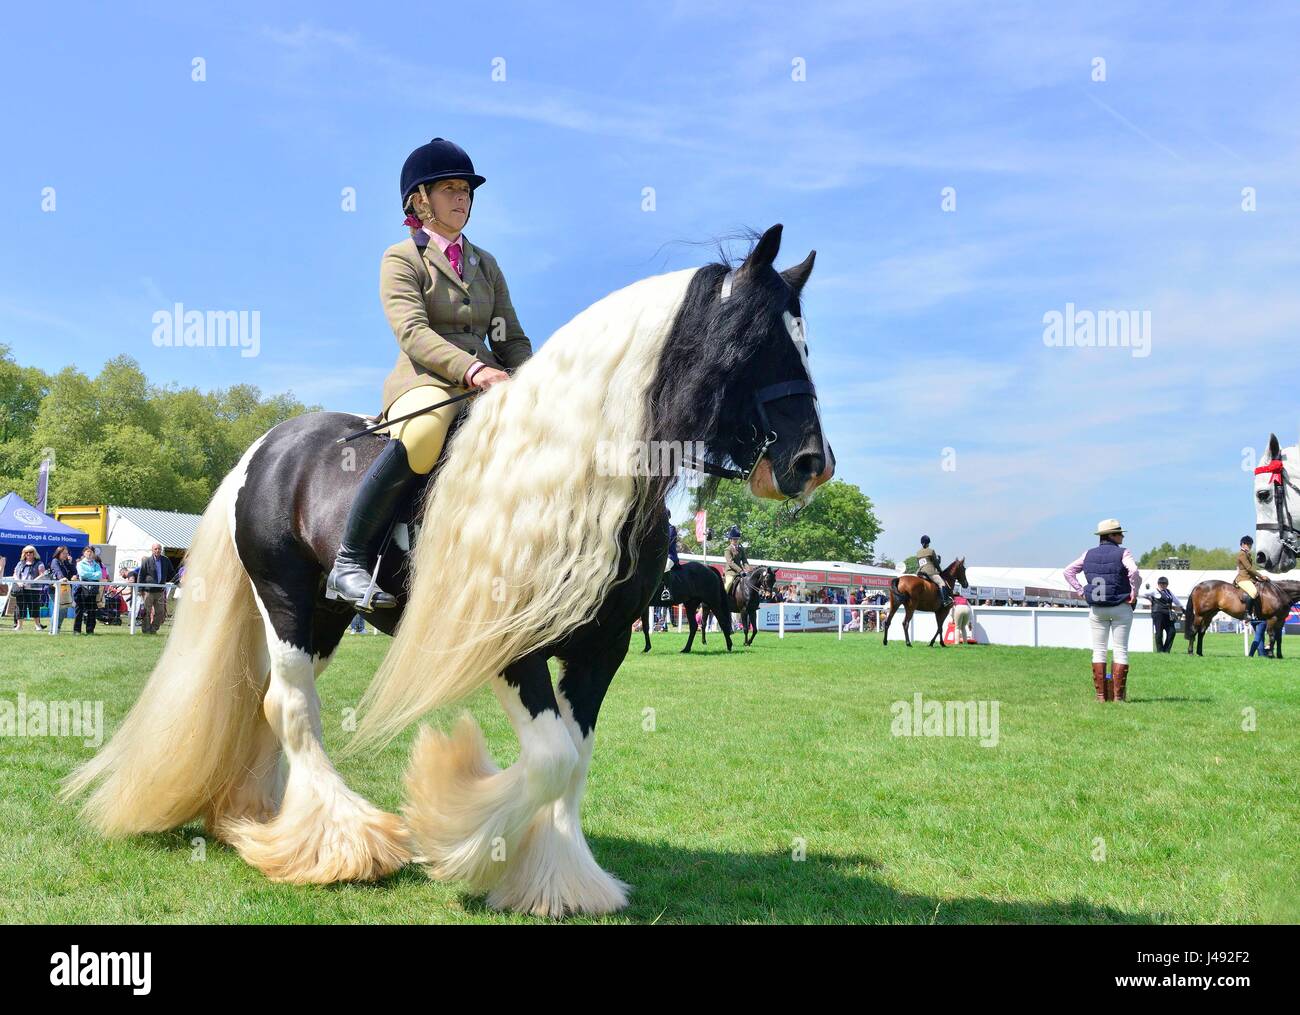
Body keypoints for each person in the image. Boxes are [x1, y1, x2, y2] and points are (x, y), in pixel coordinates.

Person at [326, 138, 532, 610]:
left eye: (467, 190)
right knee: (423, 434)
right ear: (420, 200)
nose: (463, 198)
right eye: (451, 189)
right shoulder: (401, 258)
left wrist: (537, 381)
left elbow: (511, 338)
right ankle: (349, 562)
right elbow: (412, 331)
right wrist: (474, 369)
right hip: (424, 383)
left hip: (487, 385)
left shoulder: (487, 263)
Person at [1063, 518, 1141, 703]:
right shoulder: (1124, 553)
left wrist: (1081, 591)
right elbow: (1135, 572)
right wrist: (1134, 593)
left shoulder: (1087, 554)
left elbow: (1068, 571)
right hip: (1121, 606)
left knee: (1098, 650)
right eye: (1119, 533)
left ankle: (1100, 696)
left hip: (1097, 608)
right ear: (1111, 536)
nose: (1122, 536)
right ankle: (1117, 697)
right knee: (1120, 650)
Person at [136, 542, 176, 634]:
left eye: (159, 549)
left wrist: (178, 581)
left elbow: (171, 572)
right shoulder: (147, 561)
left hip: (160, 591)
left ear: (161, 550)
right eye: (155, 549)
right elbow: (141, 575)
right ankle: (146, 630)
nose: (157, 550)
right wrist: (140, 589)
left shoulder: (166, 560)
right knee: (146, 611)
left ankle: (153, 629)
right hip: (148, 591)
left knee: (161, 612)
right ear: (152, 550)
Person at [1141, 577, 1183, 653]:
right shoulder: (1154, 591)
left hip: (1167, 613)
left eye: (1165, 584)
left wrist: (1182, 607)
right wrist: (1150, 599)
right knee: (1159, 632)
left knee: (1172, 631)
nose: (1163, 585)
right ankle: (1160, 651)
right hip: (1158, 613)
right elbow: (1142, 594)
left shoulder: (1169, 592)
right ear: (1158, 584)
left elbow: (1176, 600)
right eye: (1161, 584)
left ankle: (1166, 650)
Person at [9, 545, 46, 631]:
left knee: (34, 607)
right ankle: (19, 626)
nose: (28, 554)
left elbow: (42, 575)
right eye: (26, 552)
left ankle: (37, 626)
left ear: (34, 553)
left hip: (34, 589)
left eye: (30, 552)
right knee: (20, 607)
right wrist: (19, 582)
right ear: (24, 554)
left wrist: (31, 582)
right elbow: (15, 574)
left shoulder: (39, 563)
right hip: (21, 588)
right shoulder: (20, 563)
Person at [1234, 535, 1268, 622]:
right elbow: (1249, 568)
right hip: (1243, 579)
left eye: (1250, 545)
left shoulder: (1247, 554)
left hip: (1249, 578)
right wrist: (1261, 576)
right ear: (1243, 544)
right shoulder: (1242, 554)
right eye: (1248, 544)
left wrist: (1259, 578)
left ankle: (1257, 613)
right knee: (1253, 592)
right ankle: (1247, 614)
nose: (1250, 546)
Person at [915, 535, 952, 608]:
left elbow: (920, 563)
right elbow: (935, 563)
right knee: (941, 583)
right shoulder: (931, 551)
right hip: (929, 572)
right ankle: (945, 601)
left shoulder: (918, 552)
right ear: (928, 543)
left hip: (920, 572)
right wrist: (940, 570)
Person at [74, 545, 104, 635]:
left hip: (93, 589)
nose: (89, 553)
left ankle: (90, 630)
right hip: (82, 589)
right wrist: (93, 575)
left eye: (91, 551)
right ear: (84, 553)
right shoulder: (80, 564)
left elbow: (99, 575)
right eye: (87, 551)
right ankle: (77, 630)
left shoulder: (97, 564)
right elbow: (82, 574)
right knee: (79, 610)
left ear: (94, 553)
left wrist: (90, 575)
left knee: (92, 610)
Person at [47, 546, 77, 632]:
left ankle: (58, 628)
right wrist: (62, 578)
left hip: (65, 590)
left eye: (67, 553)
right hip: (54, 590)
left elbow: (74, 573)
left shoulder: (66, 562)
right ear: (58, 553)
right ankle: (53, 630)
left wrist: (70, 563)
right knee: (59, 608)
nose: (65, 555)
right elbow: (57, 572)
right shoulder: (55, 561)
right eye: (63, 553)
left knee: (64, 610)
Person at [723, 525, 749, 594]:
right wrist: (740, 571)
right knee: (728, 583)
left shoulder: (741, 549)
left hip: (740, 573)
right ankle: (723, 598)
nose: (736, 541)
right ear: (731, 540)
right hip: (731, 572)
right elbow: (730, 563)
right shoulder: (727, 550)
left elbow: (744, 561)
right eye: (734, 539)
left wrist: (748, 570)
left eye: (737, 539)